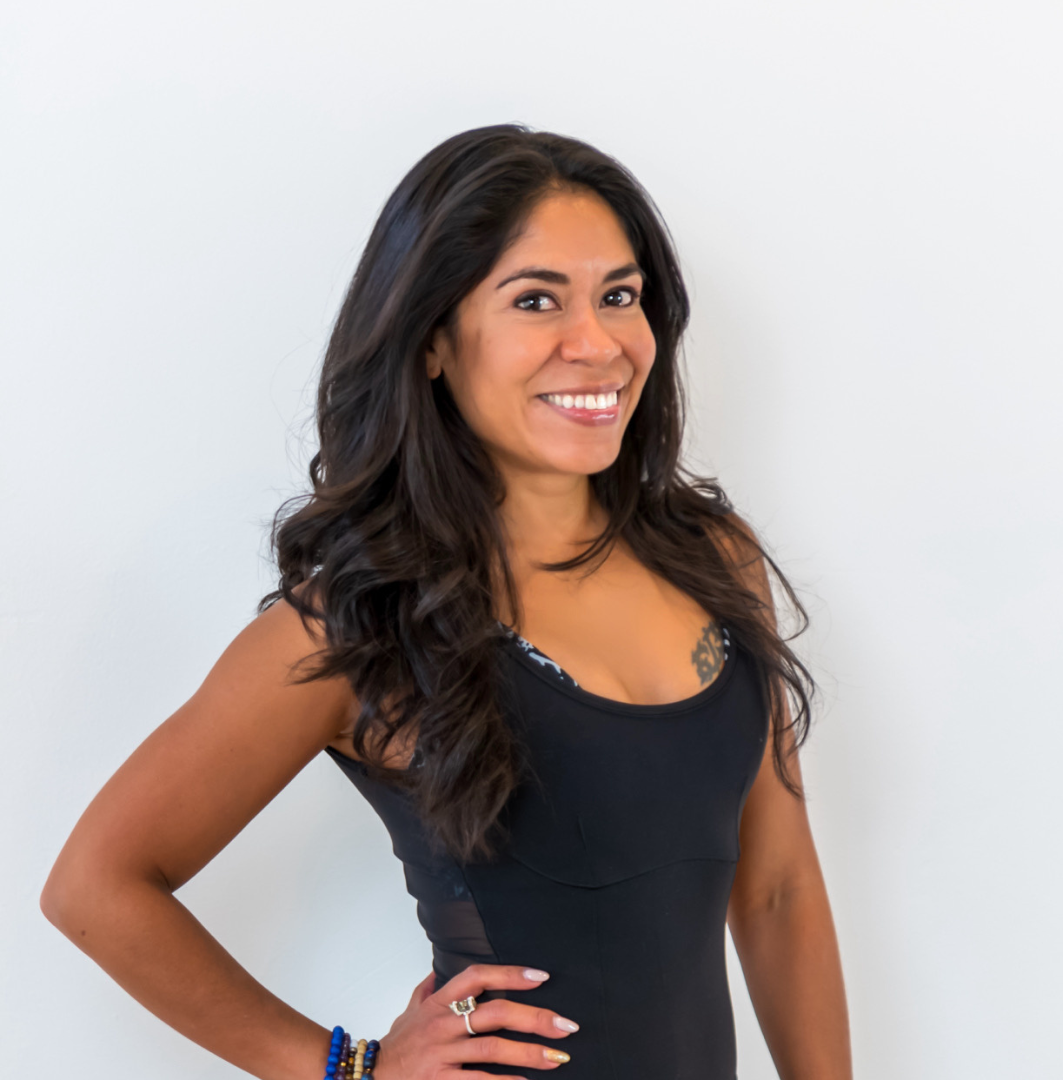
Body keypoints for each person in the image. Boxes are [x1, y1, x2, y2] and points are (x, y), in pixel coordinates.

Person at [40, 124, 852, 1080]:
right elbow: (95, 886)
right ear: (432, 340)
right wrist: (349, 1067)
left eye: (619, 296)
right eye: (536, 300)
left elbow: (777, 890)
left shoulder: (715, 559)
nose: (595, 343)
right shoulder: (358, 624)